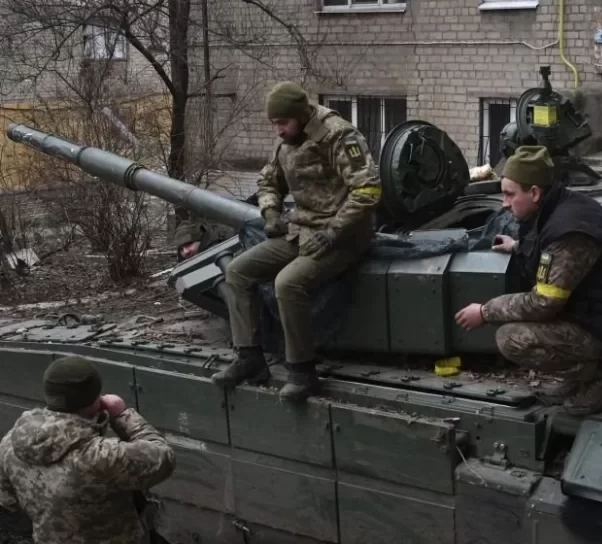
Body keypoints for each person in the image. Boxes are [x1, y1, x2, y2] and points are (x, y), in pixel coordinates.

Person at [211, 81, 381, 401]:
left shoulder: (339, 135)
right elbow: (268, 180)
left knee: (288, 283)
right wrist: (271, 213)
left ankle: (302, 371)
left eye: (283, 123)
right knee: (237, 271)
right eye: (274, 123)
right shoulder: (287, 140)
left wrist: (332, 233)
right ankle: (250, 358)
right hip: (300, 230)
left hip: (345, 235)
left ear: (301, 116)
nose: (278, 130)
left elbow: (368, 190)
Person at [454, 146, 602, 415]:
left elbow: (544, 301)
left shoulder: (570, 230)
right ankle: (580, 378)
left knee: (511, 338)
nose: (504, 203)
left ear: (534, 193)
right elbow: (548, 250)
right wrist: (517, 246)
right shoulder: (555, 208)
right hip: (590, 316)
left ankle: (599, 376)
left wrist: (485, 312)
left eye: (510, 194)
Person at [0, 356, 175, 544]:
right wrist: (122, 414)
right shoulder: (99, 457)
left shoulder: (10, 442)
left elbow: (8, 500)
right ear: (95, 398)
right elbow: (164, 457)